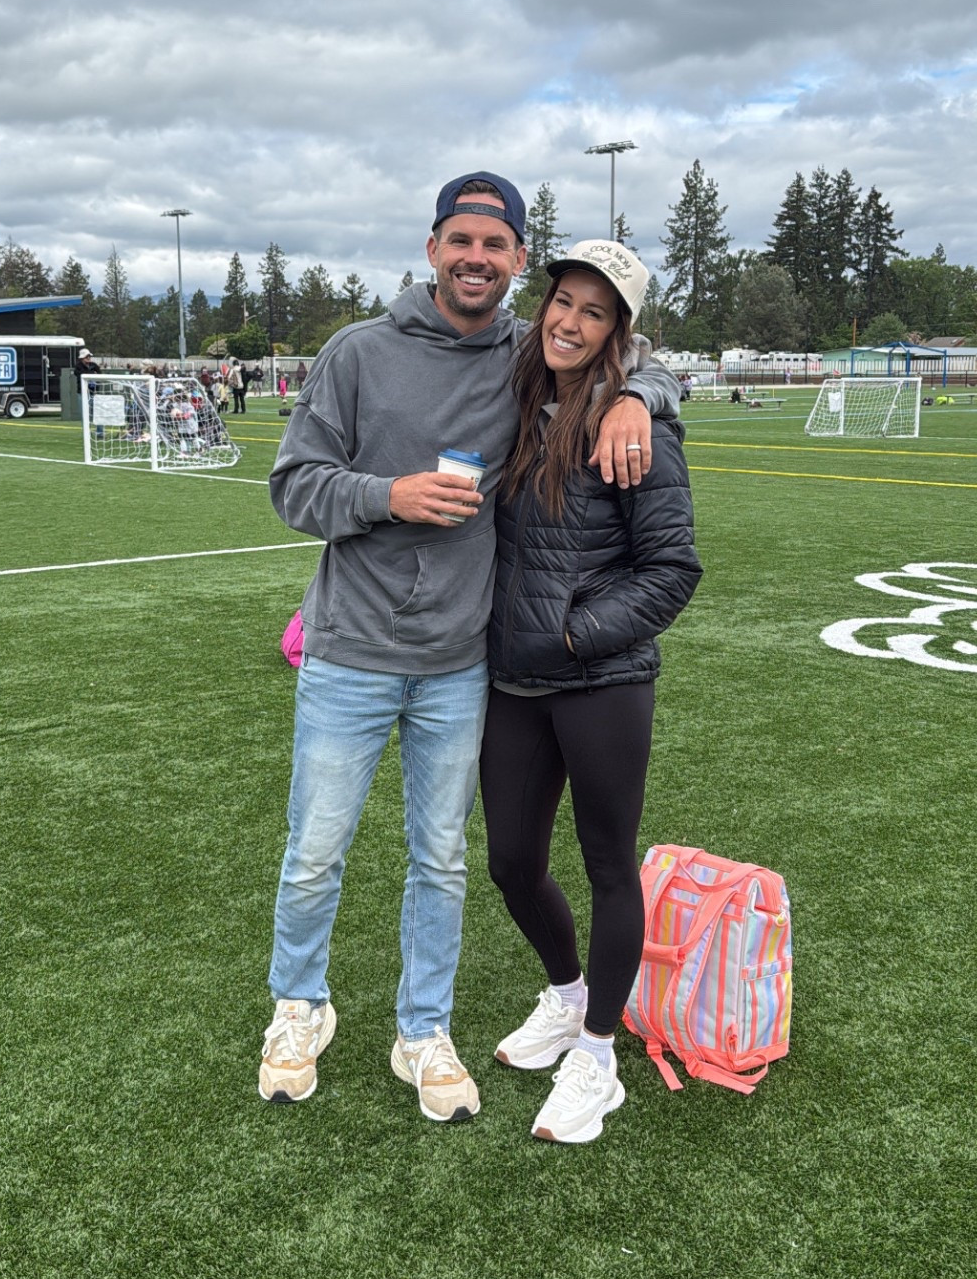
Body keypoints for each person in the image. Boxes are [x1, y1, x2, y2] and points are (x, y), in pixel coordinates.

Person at [261, 176, 680, 1124]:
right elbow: (293, 490)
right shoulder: (357, 353)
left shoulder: (525, 360)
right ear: (432, 246)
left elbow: (631, 351)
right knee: (314, 852)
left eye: (497, 244)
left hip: (461, 665)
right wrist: (386, 496)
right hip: (351, 654)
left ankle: (425, 1030)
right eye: (462, 240)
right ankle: (299, 1009)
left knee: (442, 860)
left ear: (518, 260)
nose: (477, 258)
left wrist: (639, 400)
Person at [480, 241, 702, 1143]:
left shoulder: (638, 422)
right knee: (510, 862)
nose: (569, 321)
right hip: (512, 680)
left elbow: (673, 571)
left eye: (594, 311)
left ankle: (600, 1056)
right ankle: (569, 997)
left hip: (600, 681)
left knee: (611, 866)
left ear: (621, 331)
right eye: (561, 302)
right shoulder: (517, 395)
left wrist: (576, 633)